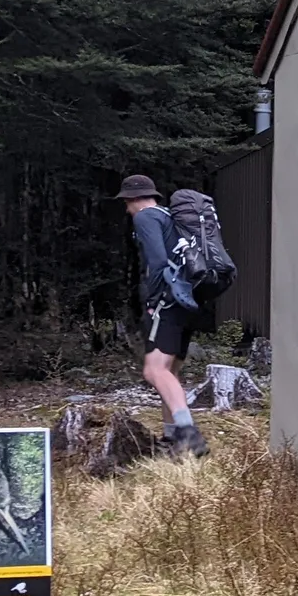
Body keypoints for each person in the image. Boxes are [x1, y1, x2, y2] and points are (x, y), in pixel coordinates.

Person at [117, 174, 210, 457]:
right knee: (169, 372)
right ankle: (171, 439)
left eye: (126, 203)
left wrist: (154, 299)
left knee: (154, 370)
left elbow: (157, 261)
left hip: (167, 301)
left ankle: (188, 433)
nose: (126, 209)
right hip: (189, 299)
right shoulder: (169, 217)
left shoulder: (145, 218)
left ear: (133, 199)